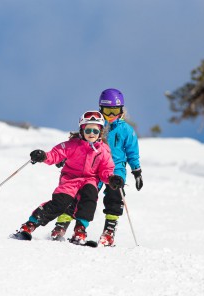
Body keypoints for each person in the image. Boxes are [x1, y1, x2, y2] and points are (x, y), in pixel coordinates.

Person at [10, 111, 124, 245]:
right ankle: (30, 224)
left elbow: (106, 169)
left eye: (95, 130)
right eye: (88, 130)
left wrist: (111, 179)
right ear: (82, 130)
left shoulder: (103, 150)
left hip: (90, 180)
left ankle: (80, 230)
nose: (91, 133)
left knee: (89, 199)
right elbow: (56, 154)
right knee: (60, 204)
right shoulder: (72, 145)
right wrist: (43, 156)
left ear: (100, 132)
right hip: (70, 180)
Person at [51, 88, 143, 246]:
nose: (111, 116)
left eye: (115, 111)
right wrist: (64, 157)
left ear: (121, 111)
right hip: (93, 168)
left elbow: (132, 152)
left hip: (116, 170)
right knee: (80, 195)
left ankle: (109, 232)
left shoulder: (126, 130)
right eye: (107, 111)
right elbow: (78, 144)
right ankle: (62, 225)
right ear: (101, 109)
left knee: (114, 196)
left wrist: (137, 171)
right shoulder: (96, 125)